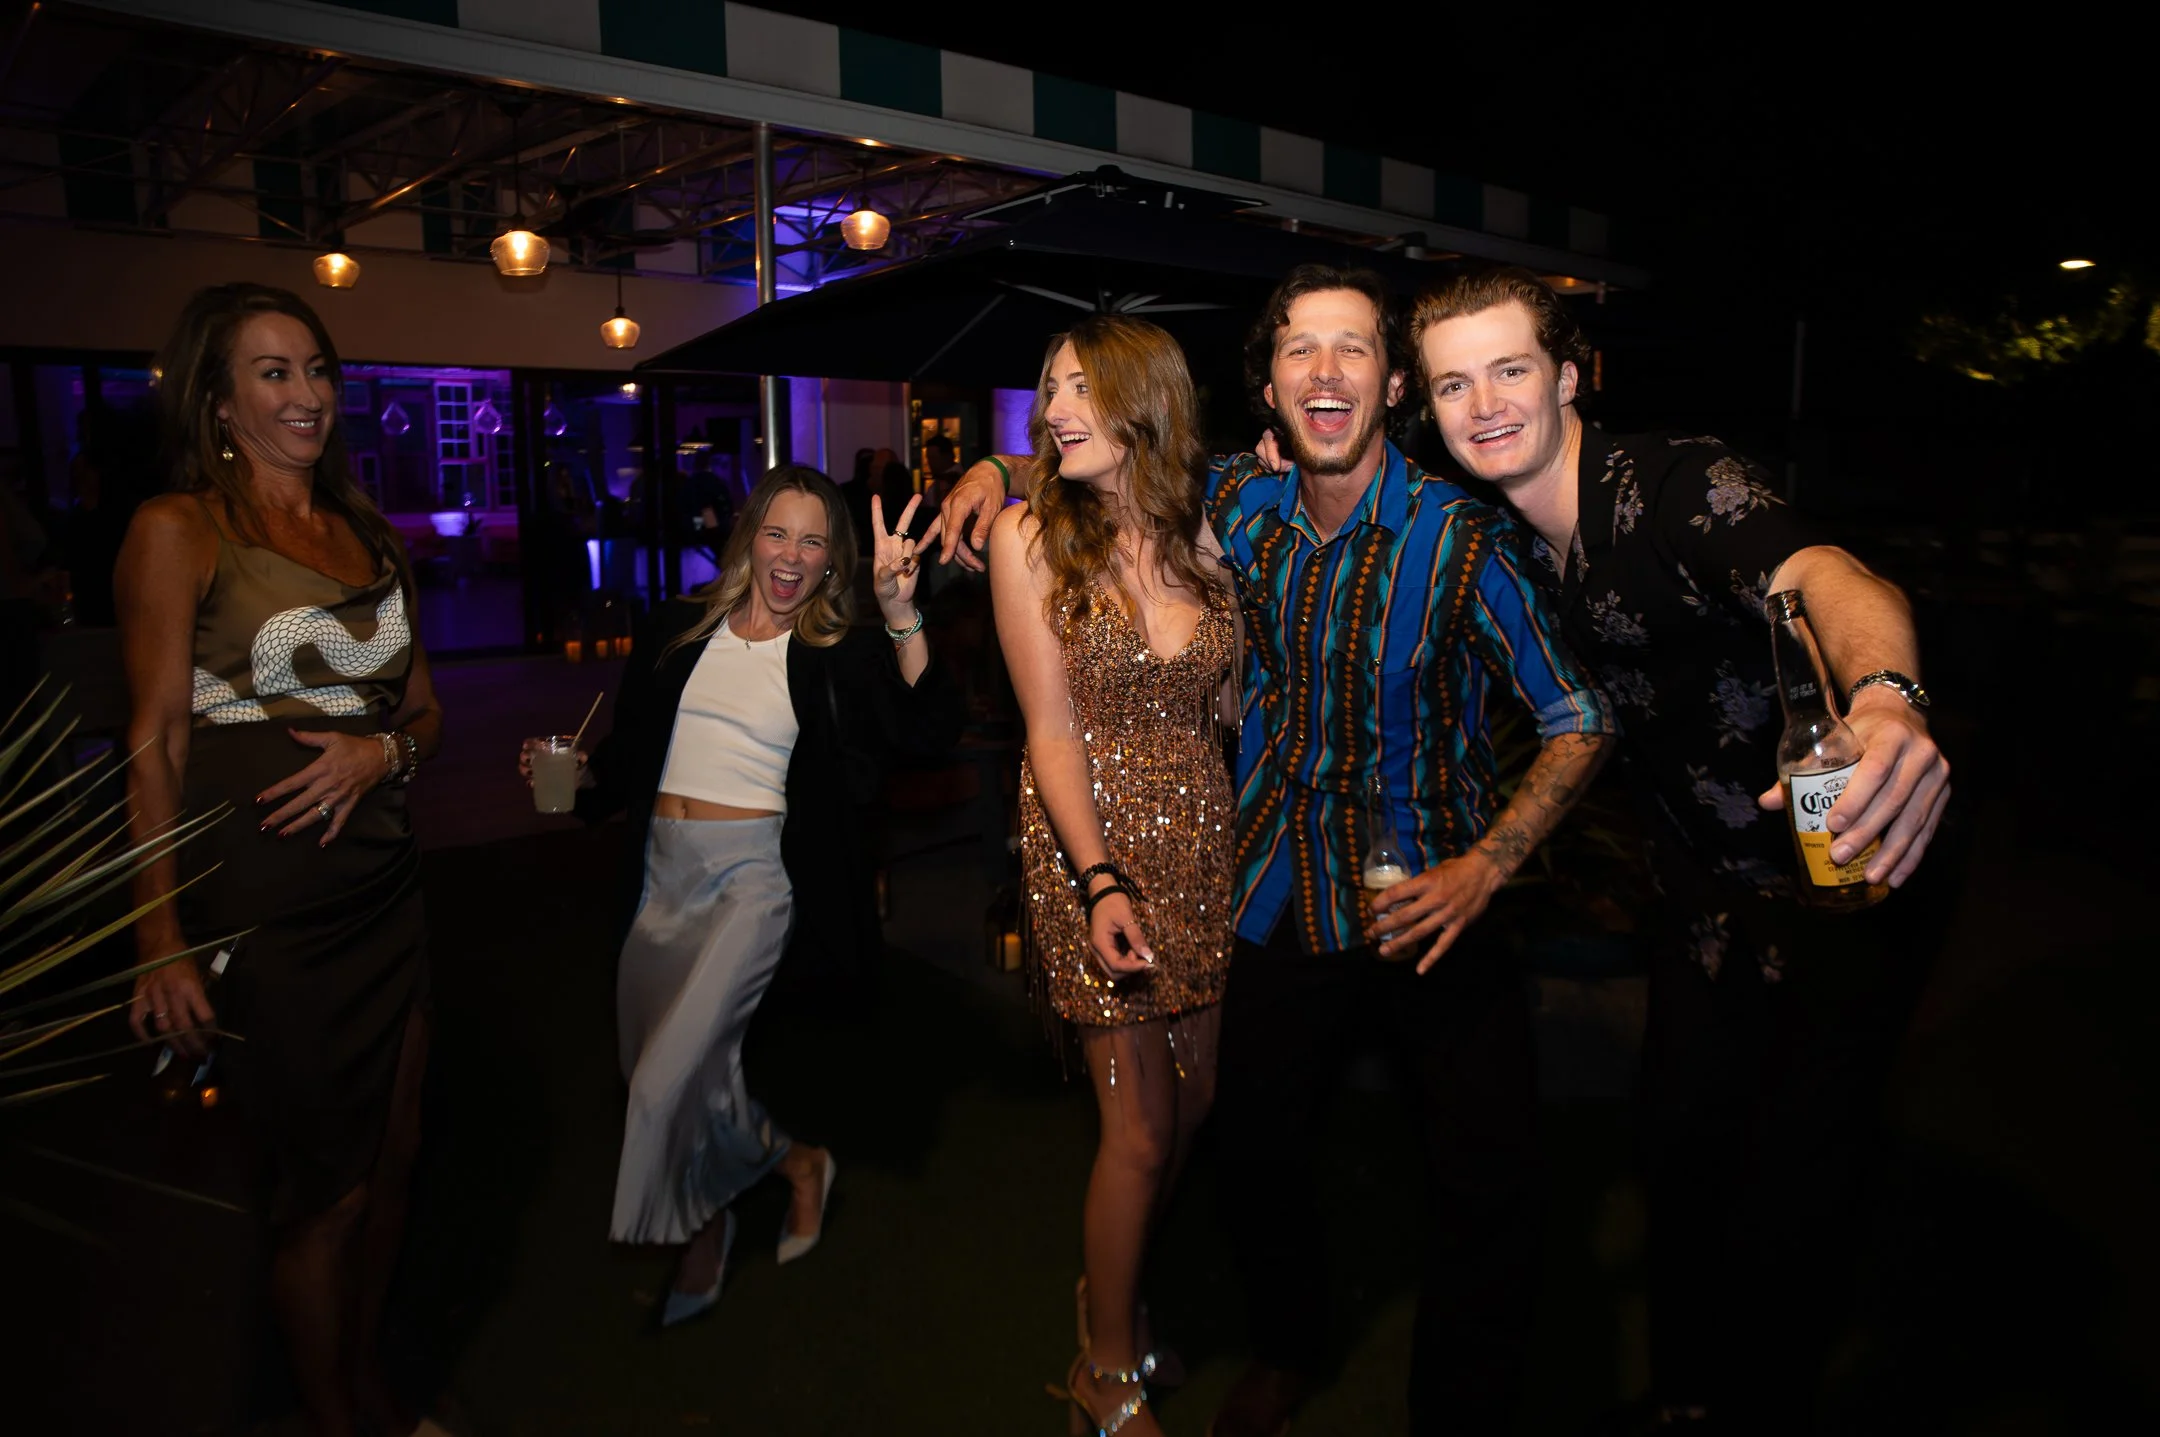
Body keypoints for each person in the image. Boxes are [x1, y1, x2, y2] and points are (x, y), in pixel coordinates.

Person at [943, 265, 1618, 1436]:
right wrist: (996, 463)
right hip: (1266, 891)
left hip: (1430, 904)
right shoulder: (1236, 513)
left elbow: (1580, 716)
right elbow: (1111, 449)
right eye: (1301, 349)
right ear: (1268, 387)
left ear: (1394, 385)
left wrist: (1492, 864)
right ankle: (1290, 1345)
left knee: (1488, 1179)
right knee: (1254, 1154)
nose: (1325, 371)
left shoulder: (1462, 539)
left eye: (1353, 349)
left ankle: (1463, 1408)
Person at [1403, 268, 1951, 1434]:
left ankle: (1765, 1396)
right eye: (1455, 383)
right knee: (1681, 1149)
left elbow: (1831, 575)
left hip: (1847, 872)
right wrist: (1012, 465)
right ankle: (1695, 1393)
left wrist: (1890, 702)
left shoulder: (1677, 486)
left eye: (1510, 370)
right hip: (1699, 893)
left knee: (1798, 1185)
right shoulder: (1493, 534)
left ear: (1567, 377)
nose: (1484, 403)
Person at [118, 282, 443, 1437]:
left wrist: (379, 756)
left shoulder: (372, 534)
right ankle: (333, 1419)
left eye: (316, 371)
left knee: (394, 1159)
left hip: (384, 888)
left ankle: (361, 1384)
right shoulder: (177, 529)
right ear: (217, 398)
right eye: (273, 373)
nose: (306, 396)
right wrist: (158, 934)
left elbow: (426, 713)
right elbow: (154, 737)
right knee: (323, 1188)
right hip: (267, 904)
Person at [526, 465, 959, 1327]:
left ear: (833, 561)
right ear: (749, 538)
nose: (792, 556)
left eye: (813, 541)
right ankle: (795, 1162)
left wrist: (902, 611)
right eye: (777, 533)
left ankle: (700, 1229)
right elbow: (627, 752)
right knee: (686, 1074)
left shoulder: (837, 657)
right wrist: (575, 785)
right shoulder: (681, 628)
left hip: (754, 884)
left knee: (662, 1083)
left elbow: (926, 728)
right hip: (661, 875)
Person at [987, 316, 1238, 1436]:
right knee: (1134, 1131)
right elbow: (1048, 732)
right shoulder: (1029, 536)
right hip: (1087, 841)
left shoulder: (1206, 535)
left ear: (1146, 400)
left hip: (1202, 839)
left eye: (1080, 387)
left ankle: (1115, 1287)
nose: (1052, 410)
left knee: (1194, 1111)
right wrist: (1097, 883)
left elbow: (1226, 705)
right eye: (1048, 390)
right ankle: (1103, 1371)